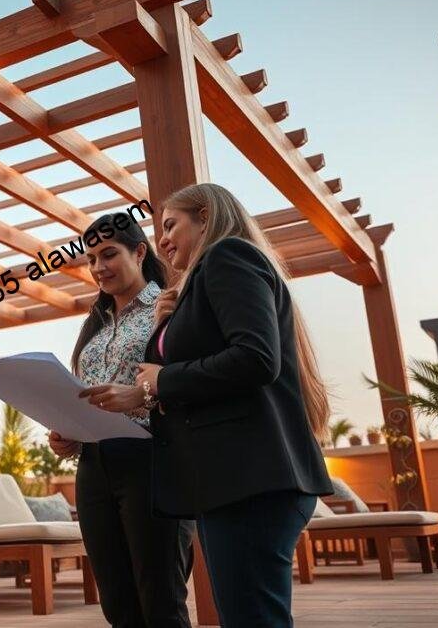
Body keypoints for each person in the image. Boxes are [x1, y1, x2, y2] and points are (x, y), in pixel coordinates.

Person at [92, 183, 333, 628]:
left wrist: (164, 378)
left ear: (204, 216)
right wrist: (166, 329)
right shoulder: (201, 281)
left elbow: (256, 358)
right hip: (233, 482)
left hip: (250, 479)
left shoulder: (228, 256)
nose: (162, 240)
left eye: (170, 225)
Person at [49, 213, 195, 628]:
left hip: (152, 460)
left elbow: (189, 383)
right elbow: (85, 397)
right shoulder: (93, 327)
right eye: (91, 259)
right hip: (94, 468)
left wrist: (141, 398)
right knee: (117, 602)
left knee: (161, 599)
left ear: (140, 251)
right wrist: (68, 435)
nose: (98, 268)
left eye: (109, 254)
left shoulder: (170, 306)